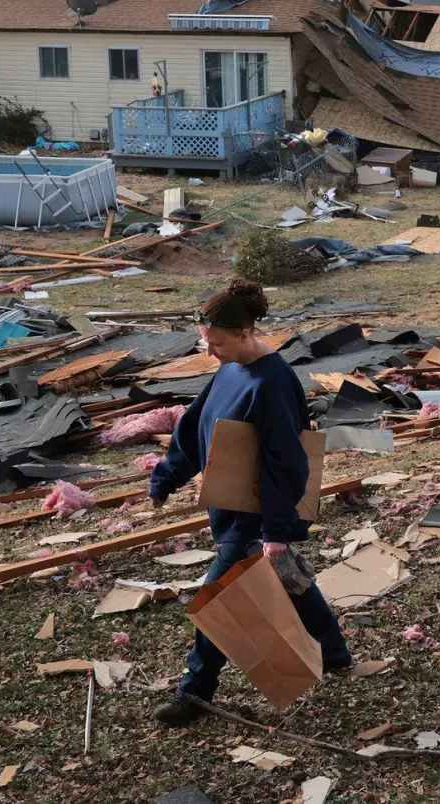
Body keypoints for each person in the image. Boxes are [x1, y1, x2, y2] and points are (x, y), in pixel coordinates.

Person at [148, 280, 352, 727]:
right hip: (233, 507)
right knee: (289, 578)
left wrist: (275, 531)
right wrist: (167, 477)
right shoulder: (229, 370)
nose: (210, 352)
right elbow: (195, 427)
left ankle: (194, 692)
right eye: (206, 343)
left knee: (218, 601)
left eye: (216, 343)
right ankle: (335, 653)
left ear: (245, 333)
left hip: (256, 513)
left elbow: (287, 462)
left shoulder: (272, 382)